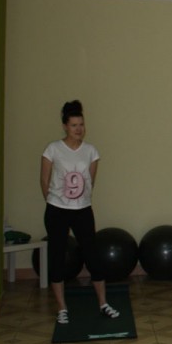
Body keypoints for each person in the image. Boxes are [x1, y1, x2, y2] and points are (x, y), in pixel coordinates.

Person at [40, 100, 119, 325]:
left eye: (81, 125)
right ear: (65, 126)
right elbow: (44, 180)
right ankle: (62, 308)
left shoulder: (91, 151)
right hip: (57, 211)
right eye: (74, 125)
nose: (79, 129)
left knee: (92, 255)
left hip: (82, 210)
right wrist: (54, 202)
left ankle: (103, 303)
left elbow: (90, 181)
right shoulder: (53, 149)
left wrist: (78, 201)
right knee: (57, 258)